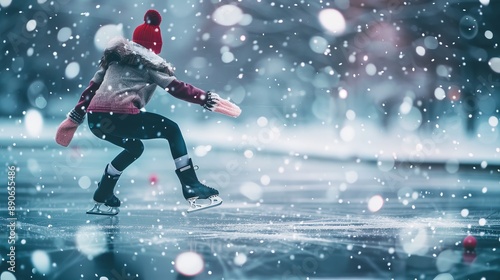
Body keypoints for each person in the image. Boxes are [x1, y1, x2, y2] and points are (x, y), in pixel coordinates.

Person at [55, 10, 241, 215]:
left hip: (96, 120)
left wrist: (75, 118)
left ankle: (103, 193)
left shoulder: (113, 60)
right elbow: (177, 88)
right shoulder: (150, 63)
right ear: (156, 47)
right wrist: (206, 98)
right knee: (172, 130)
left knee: (134, 148)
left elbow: (91, 89)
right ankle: (191, 185)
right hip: (121, 117)